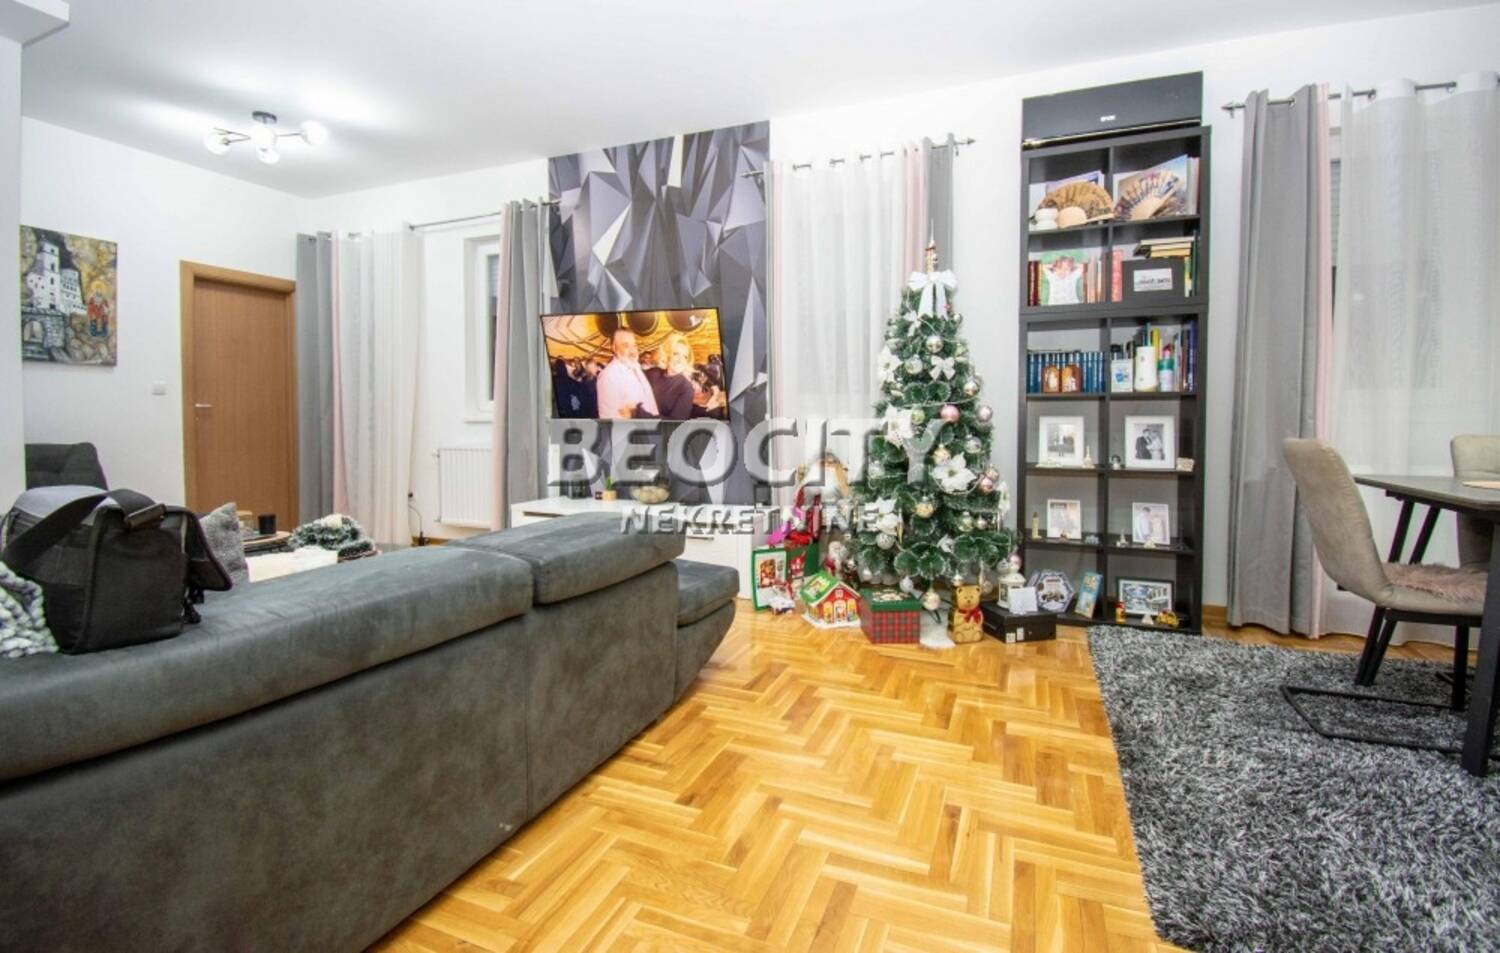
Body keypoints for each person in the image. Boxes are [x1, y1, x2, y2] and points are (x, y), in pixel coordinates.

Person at [593, 328, 659, 419]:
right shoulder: (608, 376)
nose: (633, 351)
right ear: (614, 348)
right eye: (626, 346)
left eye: (634, 345)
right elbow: (609, 419)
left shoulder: (636, 367)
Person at [642, 333, 696, 420]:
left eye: (685, 356)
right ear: (667, 354)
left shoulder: (686, 388)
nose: (681, 360)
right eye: (676, 354)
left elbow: (675, 423)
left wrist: (641, 414)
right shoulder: (654, 373)